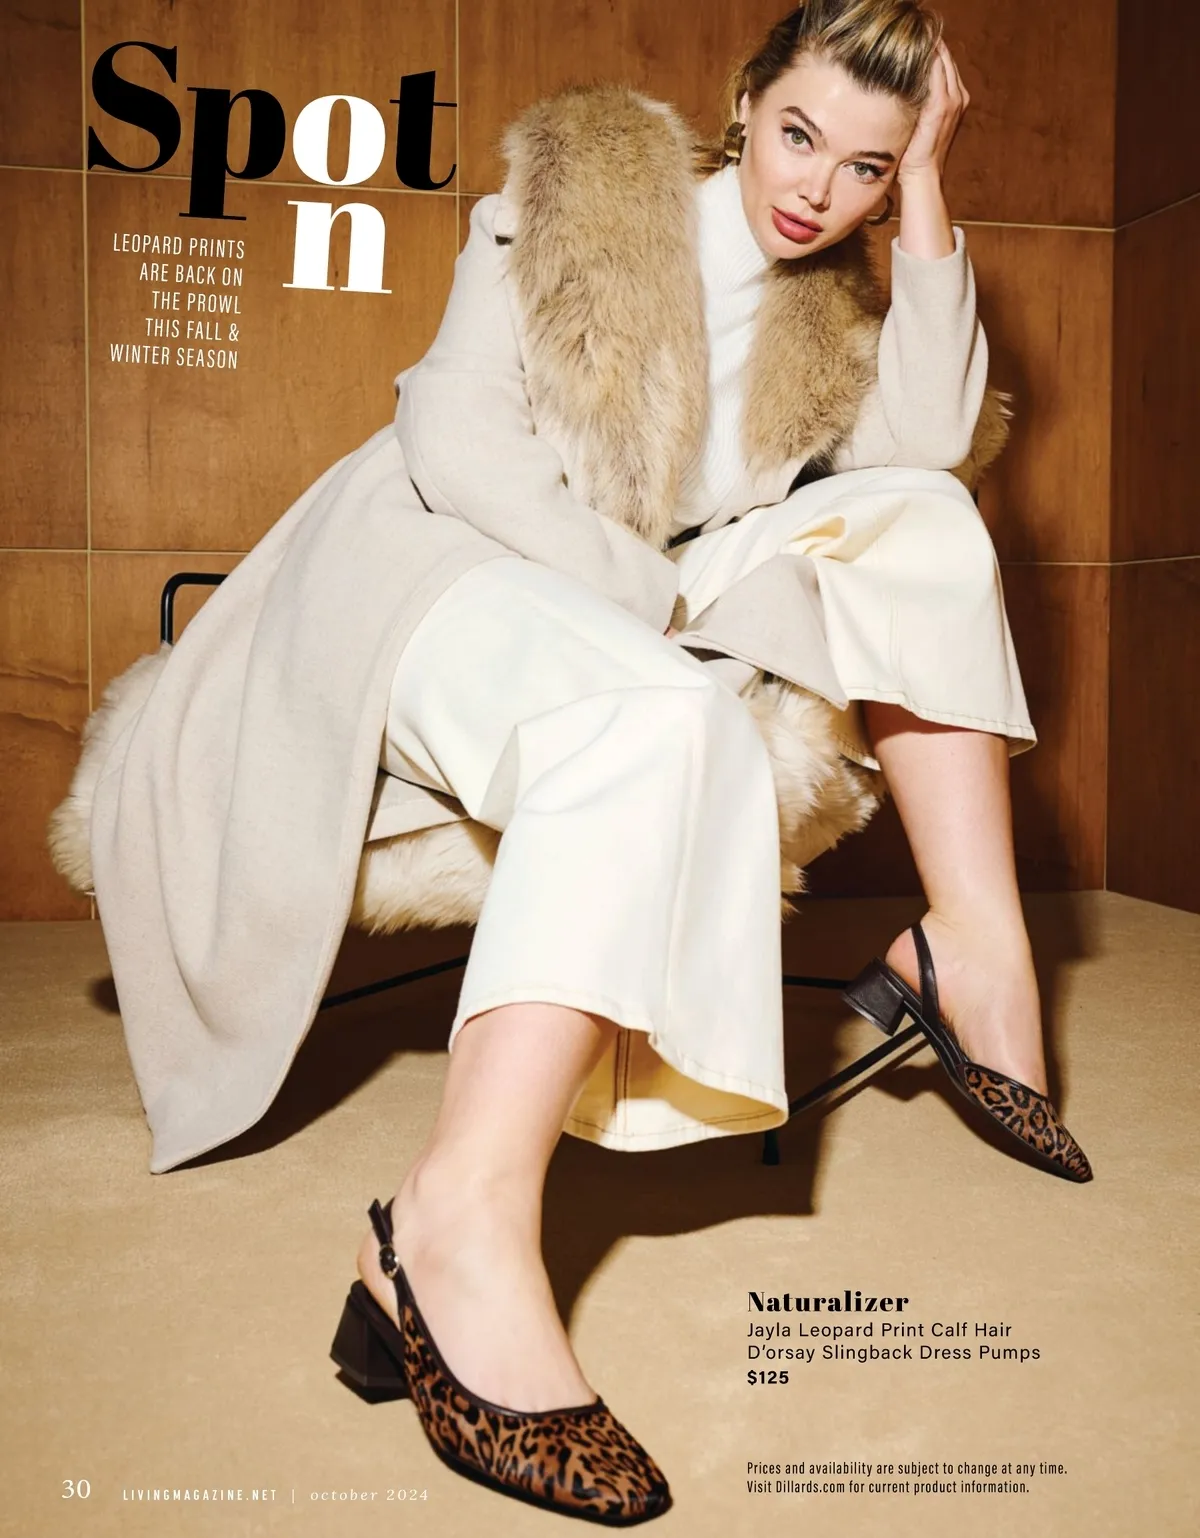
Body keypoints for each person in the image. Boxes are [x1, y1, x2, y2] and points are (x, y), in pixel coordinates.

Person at [51, 0, 1090, 1525]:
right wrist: (651, 611)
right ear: (748, 101)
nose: (817, 189)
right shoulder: (587, 200)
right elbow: (455, 439)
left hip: (630, 589)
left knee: (926, 520)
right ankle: (455, 1223)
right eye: (799, 134)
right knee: (657, 715)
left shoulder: (828, 320)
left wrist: (932, 181)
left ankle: (974, 947)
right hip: (447, 556)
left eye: (866, 168)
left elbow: (932, 447)